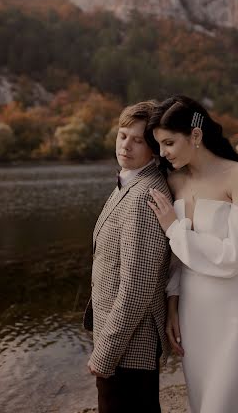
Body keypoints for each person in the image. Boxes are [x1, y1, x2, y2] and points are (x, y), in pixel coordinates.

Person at [147, 95, 238, 413]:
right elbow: (177, 260)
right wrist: (173, 306)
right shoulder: (173, 180)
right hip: (194, 310)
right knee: (204, 399)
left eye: (168, 143)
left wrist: (174, 229)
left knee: (228, 400)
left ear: (195, 135)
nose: (163, 153)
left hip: (237, 307)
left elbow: (237, 254)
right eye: (159, 145)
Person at [83, 100, 172, 413]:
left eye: (138, 140)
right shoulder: (130, 181)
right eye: (123, 136)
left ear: (154, 149)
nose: (126, 146)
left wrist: (105, 352)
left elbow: (138, 287)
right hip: (125, 340)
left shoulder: (145, 196)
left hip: (131, 348)